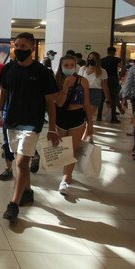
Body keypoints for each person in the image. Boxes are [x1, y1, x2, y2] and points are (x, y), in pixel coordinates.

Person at [0, 32, 59, 223]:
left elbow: (50, 103)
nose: (18, 49)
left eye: (22, 46)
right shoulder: (7, 69)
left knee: (21, 163)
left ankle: (13, 204)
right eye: (16, 46)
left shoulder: (43, 73)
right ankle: (27, 191)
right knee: (21, 161)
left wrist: (52, 128)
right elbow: (2, 93)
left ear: (32, 48)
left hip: (31, 123)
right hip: (11, 121)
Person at [54, 55, 93, 196]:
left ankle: (66, 178)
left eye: (72, 65)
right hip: (61, 117)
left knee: (72, 149)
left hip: (77, 117)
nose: (69, 68)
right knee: (63, 148)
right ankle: (65, 173)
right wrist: (66, 86)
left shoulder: (83, 81)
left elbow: (87, 103)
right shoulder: (56, 80)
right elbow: (58, 103)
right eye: (66, 65)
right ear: (61, 66)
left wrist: (90, 124)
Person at [78, 51, 110, 141]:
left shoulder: (102, 71)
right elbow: (78, 81)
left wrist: (108, 98)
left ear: (98, 60)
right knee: (83, 116)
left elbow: (105, 85)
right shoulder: (83, 69)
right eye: (90, 57)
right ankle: (88, 135)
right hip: (83, 92)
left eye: (94, 58)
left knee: (89, 116)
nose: (91, 59)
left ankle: (87, 136)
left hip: (96, 93)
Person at [99, 47, 123, 123]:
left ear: (107, 52)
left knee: (102, 98)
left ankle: (99, 117)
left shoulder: (102, 60)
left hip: (103, 79)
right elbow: (123, 68)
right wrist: (120, 76)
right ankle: (113, 117)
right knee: (113, 98)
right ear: (114, 52)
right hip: (113, 79)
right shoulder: (116, 60)